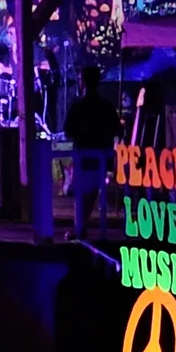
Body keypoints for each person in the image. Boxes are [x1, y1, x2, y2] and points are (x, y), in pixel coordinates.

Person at [63, 65, 121, 236]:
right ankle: (81, 227)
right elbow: (117, 129)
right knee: (91, 193)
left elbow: (68, 130)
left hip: (83, 155)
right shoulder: (106, 106)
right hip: (100, 157)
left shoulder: (78, 106)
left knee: (81, 194)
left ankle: (80, 228)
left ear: (83, 82)